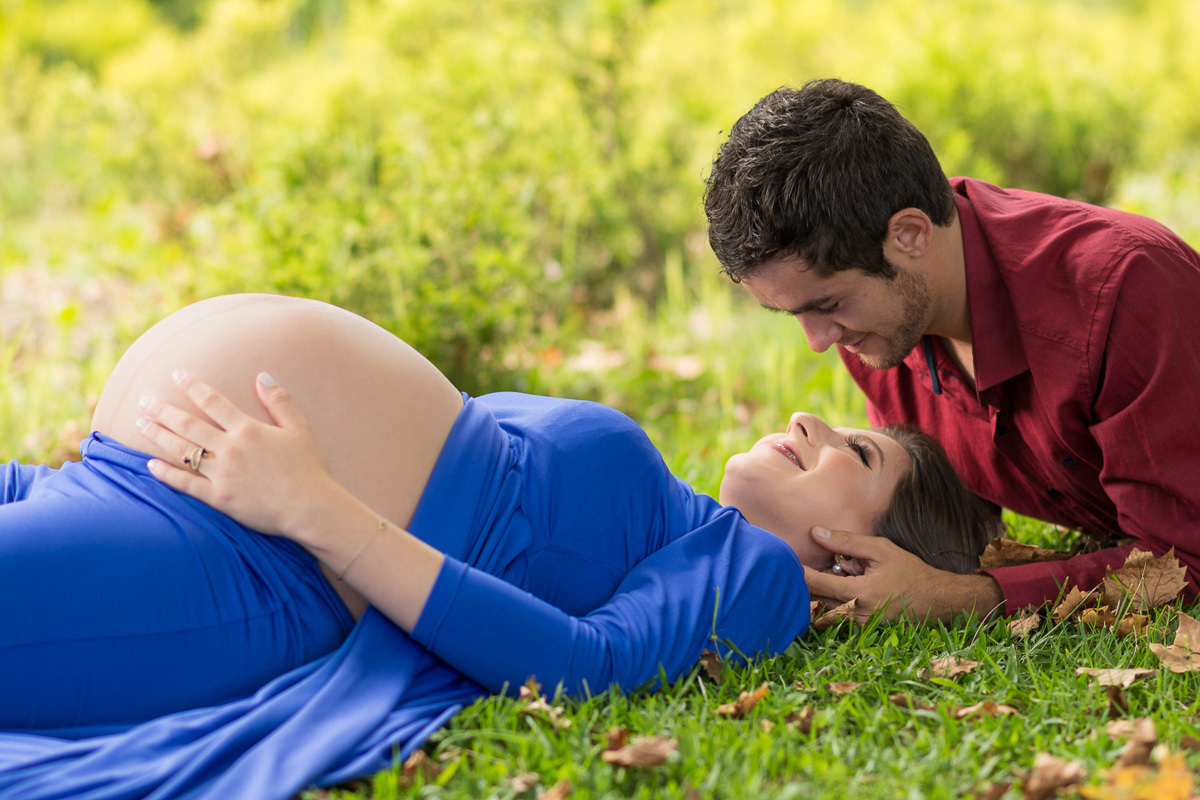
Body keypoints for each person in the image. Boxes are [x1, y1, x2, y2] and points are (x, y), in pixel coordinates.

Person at [0, 294, 994, 799]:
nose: (808, 422)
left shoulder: (759, 577)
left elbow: (579, 662)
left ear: (856, 555)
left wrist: (311, 506)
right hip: (144, 491)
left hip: (244, 561)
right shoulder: (678, 511)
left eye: (855, 452)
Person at [703, 78, 1200, 622]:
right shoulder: (878, 335)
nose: (819, 342)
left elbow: (1187, 560)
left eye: (828, 304)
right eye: (794, 314)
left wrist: (959, 597)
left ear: (910, 235)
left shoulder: (1122, 291)